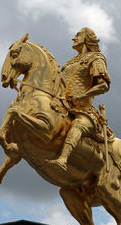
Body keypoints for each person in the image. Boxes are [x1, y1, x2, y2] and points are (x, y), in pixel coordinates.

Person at [47, 27, 111, 171]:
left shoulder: (96, 58)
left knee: (78, 125)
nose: (74, 38)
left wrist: (82, 96)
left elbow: (104, 85)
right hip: (63, 104)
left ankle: (63, 159)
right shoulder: (70, 62)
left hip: (83, 109)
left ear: (86, 38)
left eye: (78, 35)